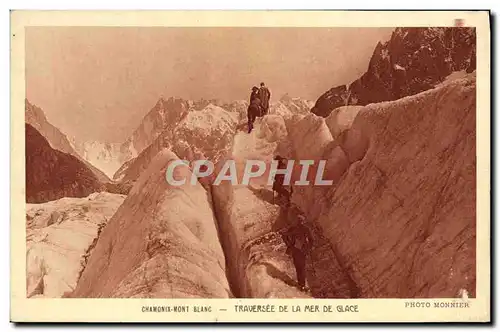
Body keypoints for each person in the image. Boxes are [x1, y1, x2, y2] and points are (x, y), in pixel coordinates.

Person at [281, 208, 313, 291]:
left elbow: (284, 235)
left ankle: (301, 284)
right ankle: (301, 284)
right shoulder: (298, 229)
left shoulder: (301, 229)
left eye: (300, 221)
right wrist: (290, 244)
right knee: (300, 267)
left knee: (300, 267)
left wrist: (289, 244)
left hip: (299, 250)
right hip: (298, 251)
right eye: (299, 221)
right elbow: (311, 240)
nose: (299, 222)